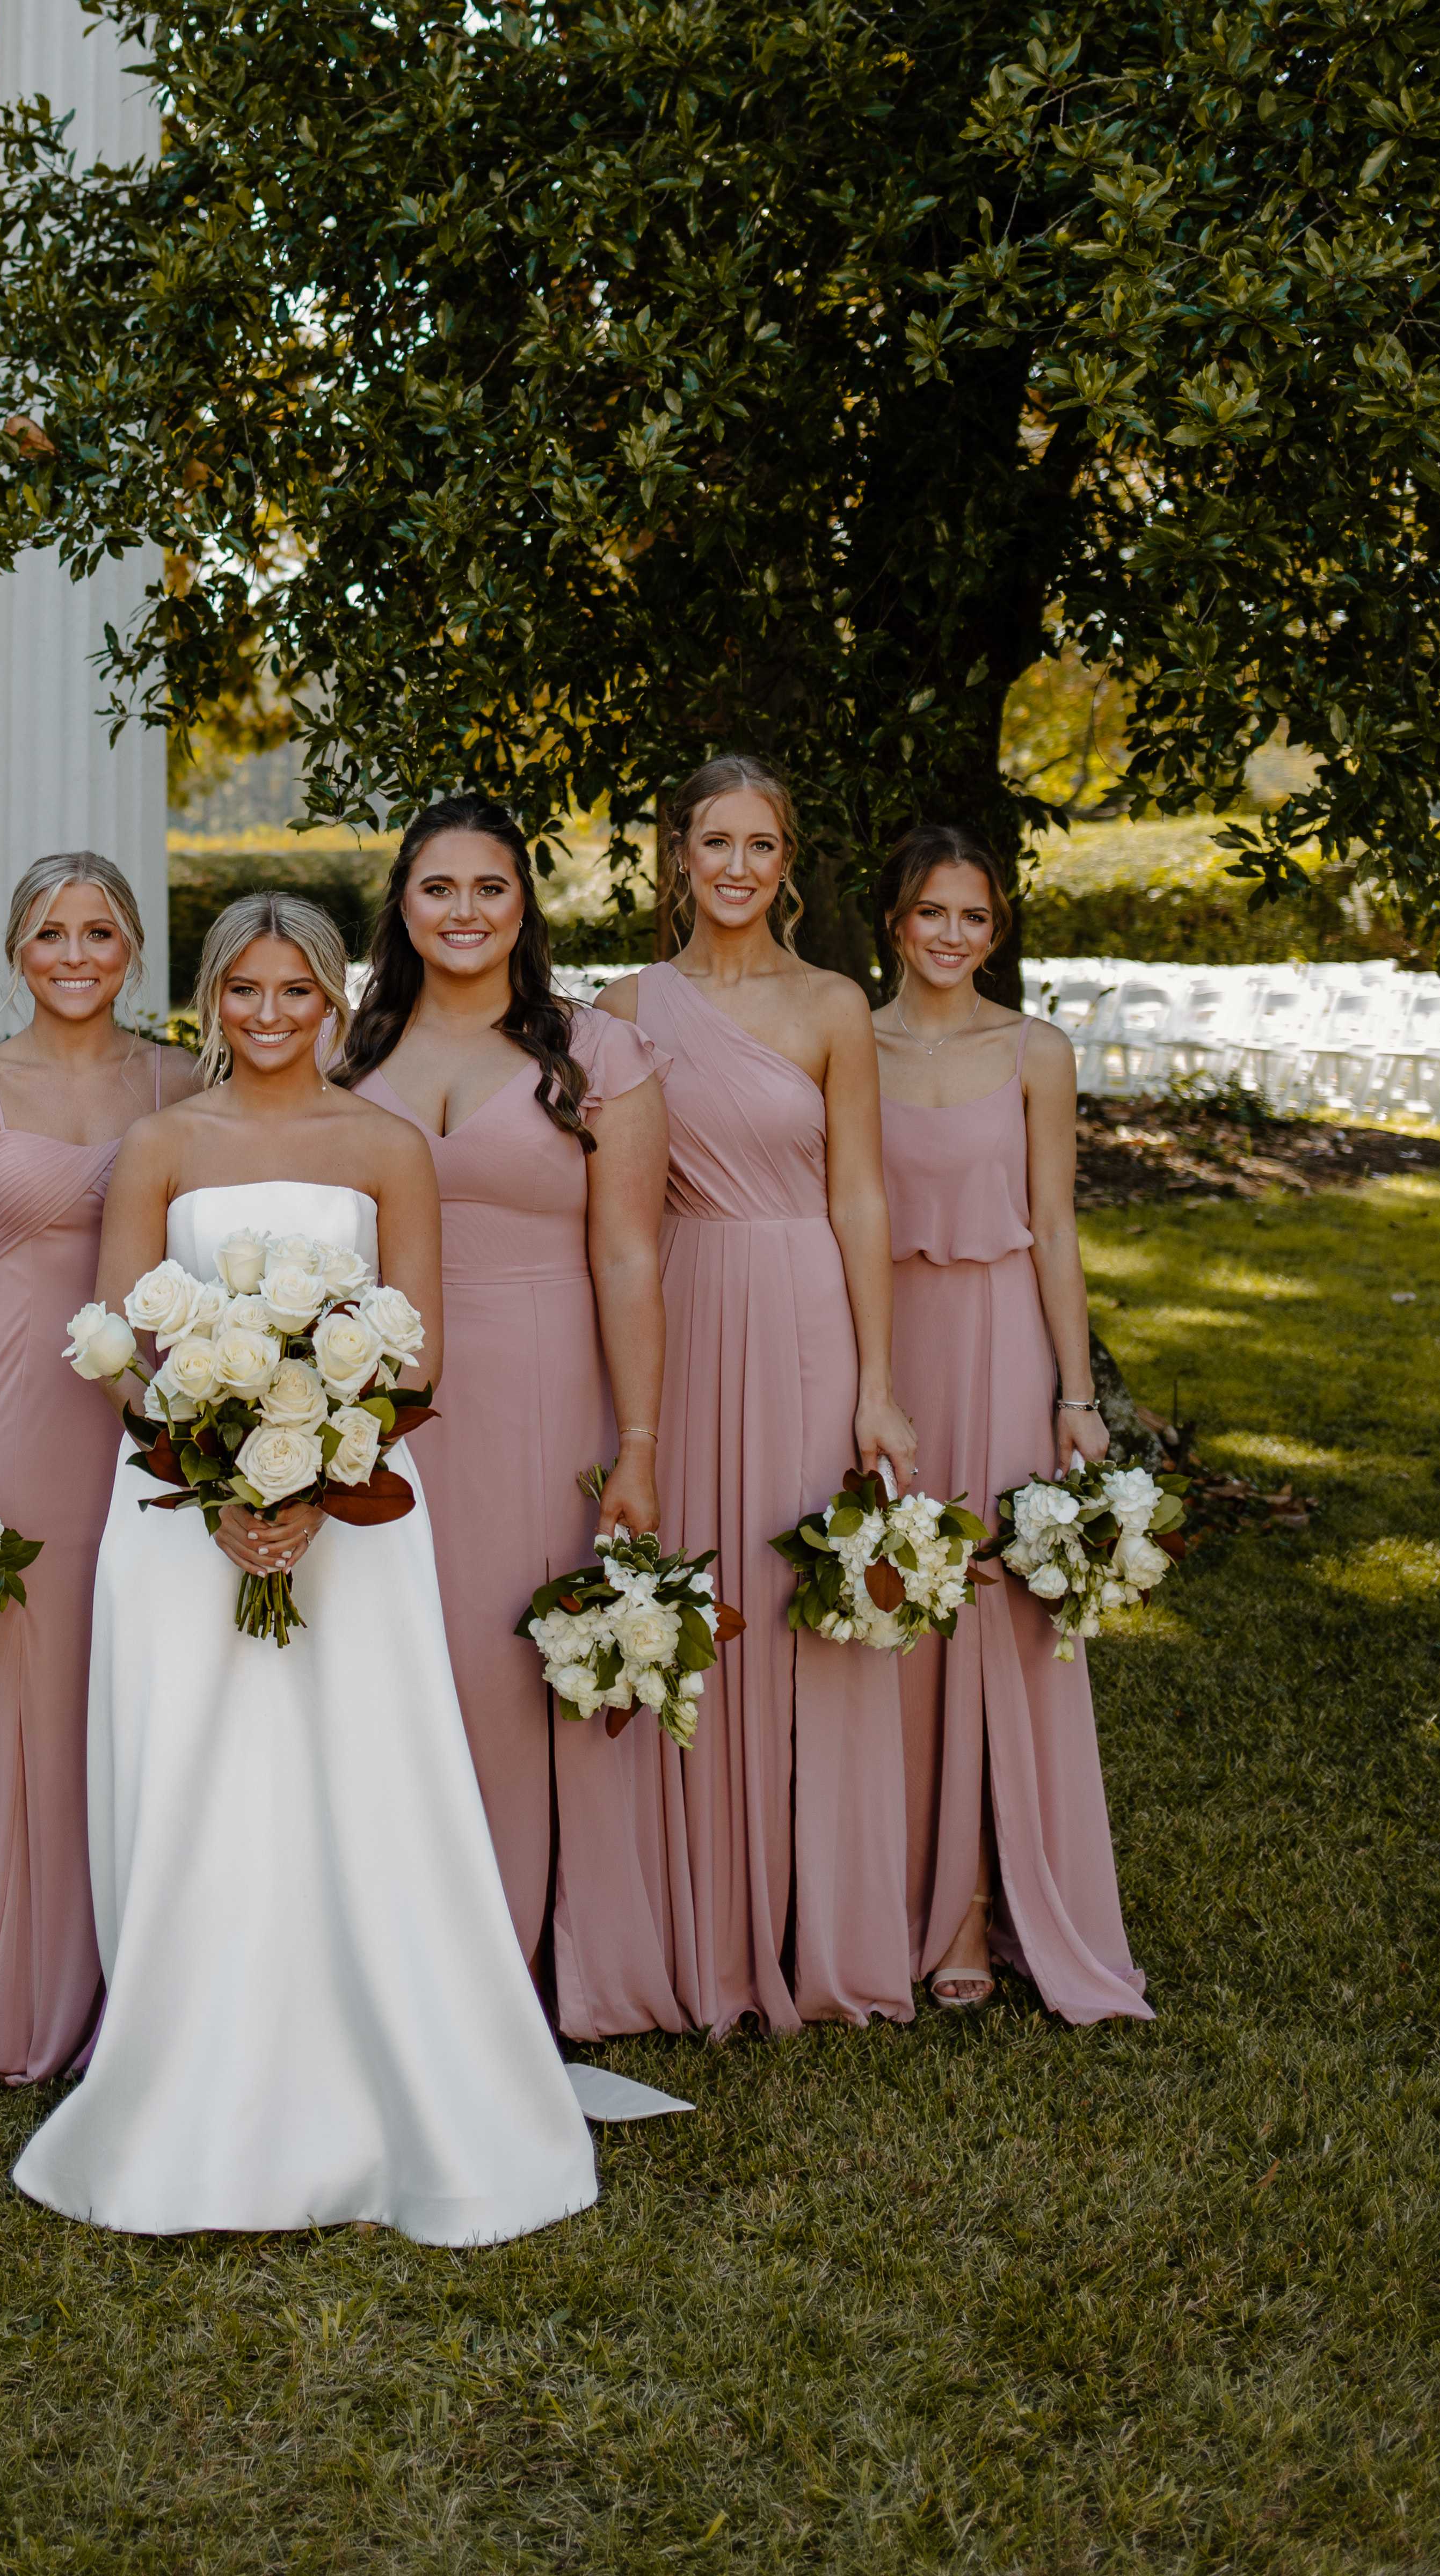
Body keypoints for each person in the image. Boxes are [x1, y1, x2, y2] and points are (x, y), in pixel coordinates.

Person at [12, 894, 601, 2245]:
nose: (268, 1016)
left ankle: (384, 2073)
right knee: (199, 1775)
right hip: (178, 1506)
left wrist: (317, 1476)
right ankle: (183, 2077)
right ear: (210, 1000)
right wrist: (216, 1472)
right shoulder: (161, 1144)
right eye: (243, 991)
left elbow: (417, 1349)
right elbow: (118, 1342)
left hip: (355, 1512)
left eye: (295, 992)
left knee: (357, 1777)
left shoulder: (386, 1147)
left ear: (333, 1000)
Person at [338, 795, 679, 2035]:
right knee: (396, 1662)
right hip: (375, 1401)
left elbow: (628, 1259)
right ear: (401, 905)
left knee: (511, 1661)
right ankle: (391, 1955)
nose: (464, 911)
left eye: (489, 887)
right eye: (437, 888)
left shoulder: (594, 1054)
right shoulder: (345, 1054)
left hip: (540, 1391)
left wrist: (635, 1445)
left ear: (523, 904)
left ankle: (531, 1960)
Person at [599, 756, 919, 2035]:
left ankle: (827, 1931)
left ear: (787, 864)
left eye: (761, 845)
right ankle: (697, 1925)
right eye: (714, 842)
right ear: (677, 854)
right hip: (680, 1303)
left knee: (807, 1604)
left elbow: (861, 1196)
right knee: (690, 1597)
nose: (735, 867)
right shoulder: (624, 1007)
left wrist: (876, 1384)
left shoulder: (833, 1004)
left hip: (801, 1315)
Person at [0, 853, 201, 2090]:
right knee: (17, 1686)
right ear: (14, 953)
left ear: (132, 946)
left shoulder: (186, 1079)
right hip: (19, 1408)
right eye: (48, 934)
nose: (73, 956)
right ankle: (11, 1985)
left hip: (155, 1415)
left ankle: (149, 1987)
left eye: (97, 932)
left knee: (146, 1678)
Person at [872, 823, 1151, 2023]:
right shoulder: (848, 1043)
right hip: (884, 1345)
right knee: (888, 1614)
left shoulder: (1036, 1050)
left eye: (974, 916)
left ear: (996, 931)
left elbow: (1055, 1226)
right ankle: (892, 1899)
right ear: (895, 921)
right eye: (932, 912)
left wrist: (1075, 1395)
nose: (952, 935)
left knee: (997, 1617)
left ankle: (984, 1905)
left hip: (998, 1342)